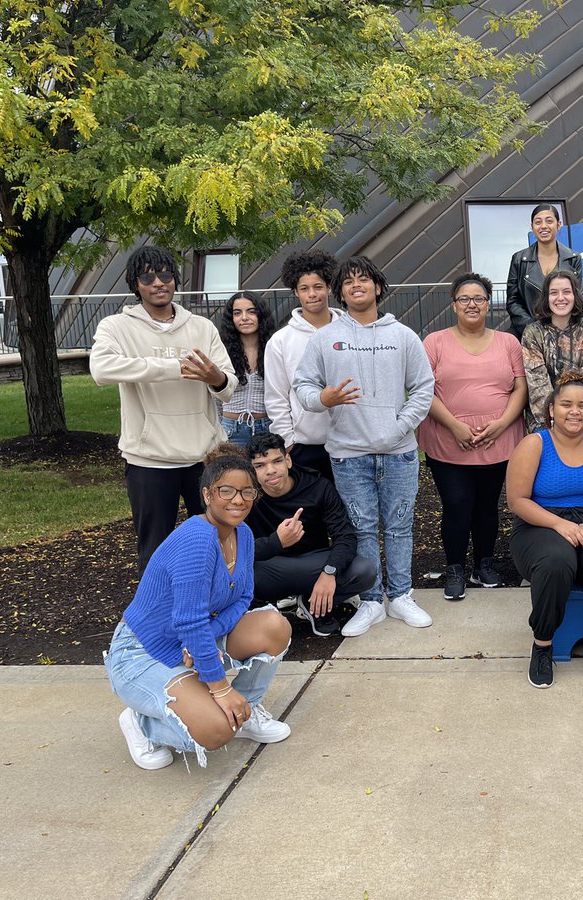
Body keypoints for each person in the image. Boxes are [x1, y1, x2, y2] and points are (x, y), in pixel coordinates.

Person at [105, 448, 292, 771]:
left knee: (275, 626)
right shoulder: (197, 539)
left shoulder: (242, 534)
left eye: (247, 491)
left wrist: (202, 640)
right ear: (206, 494)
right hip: (142, 652)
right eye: (226, 491)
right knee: (218, 731)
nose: (238, 500)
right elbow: (189, 621)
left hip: (187, 638)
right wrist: (218, 687)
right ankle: (141, 723)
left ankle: (245, 710)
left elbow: (243, 597)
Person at [293, 255, 435, 636]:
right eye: (348, 281)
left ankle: (401, 595)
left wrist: (400, 426)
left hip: (400, 452)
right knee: (362, 528)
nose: (357, 285)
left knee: (400, 526)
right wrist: (322, 399)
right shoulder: (325, 339)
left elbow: (424, 387)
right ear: (340, 291)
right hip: (348, 454)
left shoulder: (403, 336)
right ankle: (371, 600)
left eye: (364, 279)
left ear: (377, 286)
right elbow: (302, 386)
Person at [91, 246, 237, 573]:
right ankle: (157, 618)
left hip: (203, 457)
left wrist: (214, 377)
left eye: (166, 275)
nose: (158, 282)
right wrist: (175, 367)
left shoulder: (201, 327)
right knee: (155, 551)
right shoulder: (116, 327)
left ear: (175, 280)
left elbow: (228, 387)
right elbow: (101, 370)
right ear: (135, 283)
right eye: (147, 276)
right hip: (149, 460)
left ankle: (219, 612)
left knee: (218, 541)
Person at [507, 371, 583, 689]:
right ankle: (543, 644)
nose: (575, 412)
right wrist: (560, 524)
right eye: (566, 405)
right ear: (551, 409)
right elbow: (517, 500)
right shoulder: (534, 444)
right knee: (556, 561)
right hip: (541, 522)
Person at [418, 273, 528, 600]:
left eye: (479, 298)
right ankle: (454, 567)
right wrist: (454, 425)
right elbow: (424, 390)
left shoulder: (509, 342)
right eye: (464, 298)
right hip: (447, 438)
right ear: (454, 304)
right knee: (456, 504)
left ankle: (484, 564)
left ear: (488, 304)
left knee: (487, 506)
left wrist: (502, 423)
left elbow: (520, 387)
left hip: (499, 439)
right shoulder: (434, 342)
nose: (472, 304)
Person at [245, 433, 376, 637]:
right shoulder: (247, 496)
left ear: (288, 460)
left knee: (364, 570)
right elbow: (232, 548)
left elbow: (345, 536)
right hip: (270, 568)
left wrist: (329, 572)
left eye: (277, 461)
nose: (270, 471)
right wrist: (276, 542)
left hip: (313, 565)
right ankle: (263, 611)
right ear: (252, 471)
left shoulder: (317, 486)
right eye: (260, 465)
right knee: (232, 572)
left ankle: (313, 602)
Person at [264, 250, 347, 483]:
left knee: (350, 515)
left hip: (352, 443)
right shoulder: (280, 340)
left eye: (318, 286)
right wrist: (287, 442)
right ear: (296, 292)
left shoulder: (352, 332)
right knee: (309, 515)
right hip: (304, 447)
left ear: (330, 288)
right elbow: (276, 395)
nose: (312, 294)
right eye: (304, 288)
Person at [521, 268, 583, 432]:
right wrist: (557, 422)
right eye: (553, 293)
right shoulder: (533, 333)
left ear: (575, 296)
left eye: (567, 292)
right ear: (546, 298)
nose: (560, 298)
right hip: (546, 421)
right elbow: (538, 389)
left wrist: (582, 418)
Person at [505, 203, 583, 340]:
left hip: (563, 333)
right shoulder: (519, 259)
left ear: (559, 225)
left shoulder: (573, 259)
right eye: (538, 222)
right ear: (532, 227)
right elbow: (513, 301)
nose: (544, 226)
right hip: (526, 332)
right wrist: (533, 328)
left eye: (549, 221)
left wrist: (559, 329)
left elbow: (577, 298)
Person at [216, 291, 276, 448]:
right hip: (229, 429)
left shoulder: (275, 347)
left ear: (261, 315)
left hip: (267, 428)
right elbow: (214, 396)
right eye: (237, 313)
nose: (244, 318)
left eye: (251, 311)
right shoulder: (221, 349)